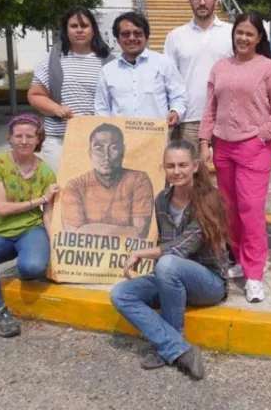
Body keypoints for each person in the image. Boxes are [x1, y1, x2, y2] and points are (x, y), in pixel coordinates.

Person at [110, 140, 229, 381]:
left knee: (167, 263)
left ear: (195, 166)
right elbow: (163, 243)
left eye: (183, 165)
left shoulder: (210, 198)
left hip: (208, 282)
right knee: (121, 293)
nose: (177, 171)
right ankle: (178, 349)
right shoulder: (162, 199)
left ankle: (170, 346)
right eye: (170, 166)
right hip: (170, 277)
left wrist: (141, 253)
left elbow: (180, 248)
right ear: (163, 168)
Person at [199, 12, 271, 303]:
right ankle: (238, 259)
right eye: (239, 32)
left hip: (254, 147)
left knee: (251, 210)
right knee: (229, 208)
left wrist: (263, 135)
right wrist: (204, 141)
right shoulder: (220, 67)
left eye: (249, 33)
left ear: (259, 37)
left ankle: (254, 274)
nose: (243, 38)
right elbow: (210, 108)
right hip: (223, 147)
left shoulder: (269, 69)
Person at [0, 114, 59, 337]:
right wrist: (41, 199)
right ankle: (0, 310)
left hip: (31, 228)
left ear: (39, 140)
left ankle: (28, 255)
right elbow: (1, 208)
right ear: (9, 138)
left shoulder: (46, 172)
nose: (24, 141)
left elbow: (48, 214)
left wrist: (56, 245)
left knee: (32, 268)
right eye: (18, 136)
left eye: (30, 136)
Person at [27, 6, 114, 172]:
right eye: (74, 26)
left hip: (99, 141)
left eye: (84, 26)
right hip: (60, 139)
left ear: (93, 30)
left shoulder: (109, 61)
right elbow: (35, 94)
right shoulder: (52, 59)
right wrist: (56, 108)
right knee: (60, 186)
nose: (79, 30)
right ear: (66, 30)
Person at [164, 0, 233, 143]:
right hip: (189, 119)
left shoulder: (232, 33)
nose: (202, 2)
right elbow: (169, 80)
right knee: (191, 161)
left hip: (227, 118)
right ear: (189, 0)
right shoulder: (175, 37)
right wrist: (174, 110)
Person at [61, 123, 154, 239]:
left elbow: (140, 233)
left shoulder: (138, 180)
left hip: (127, 251)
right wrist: (125, 231)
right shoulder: (75, 186)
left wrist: (87, 229)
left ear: (123, 151)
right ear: (90, 153)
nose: (106, 156)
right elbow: (73, 234)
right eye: (99, 148)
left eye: (113, 147)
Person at [95, 12, 187, 123]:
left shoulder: (163, 63)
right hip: (119, 133)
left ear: (146, 36)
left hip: (156, 132)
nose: (131, 38)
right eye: (125, 34)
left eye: (137, 33)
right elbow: (102, 108)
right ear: (117, 39)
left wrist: (175, 112)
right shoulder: (108, 71)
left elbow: (179, 96)